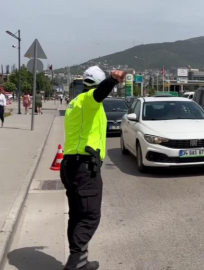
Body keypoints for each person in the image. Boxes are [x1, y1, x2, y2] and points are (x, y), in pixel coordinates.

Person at [61, 66, 126, 270]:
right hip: (84, 167)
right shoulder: (90, 99)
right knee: (90, 216)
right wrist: (112, 81)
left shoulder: (74, 102)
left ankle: (80, 258)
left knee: (77, 215)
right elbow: (98, 94)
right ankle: (75, 263)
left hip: (70, 164)